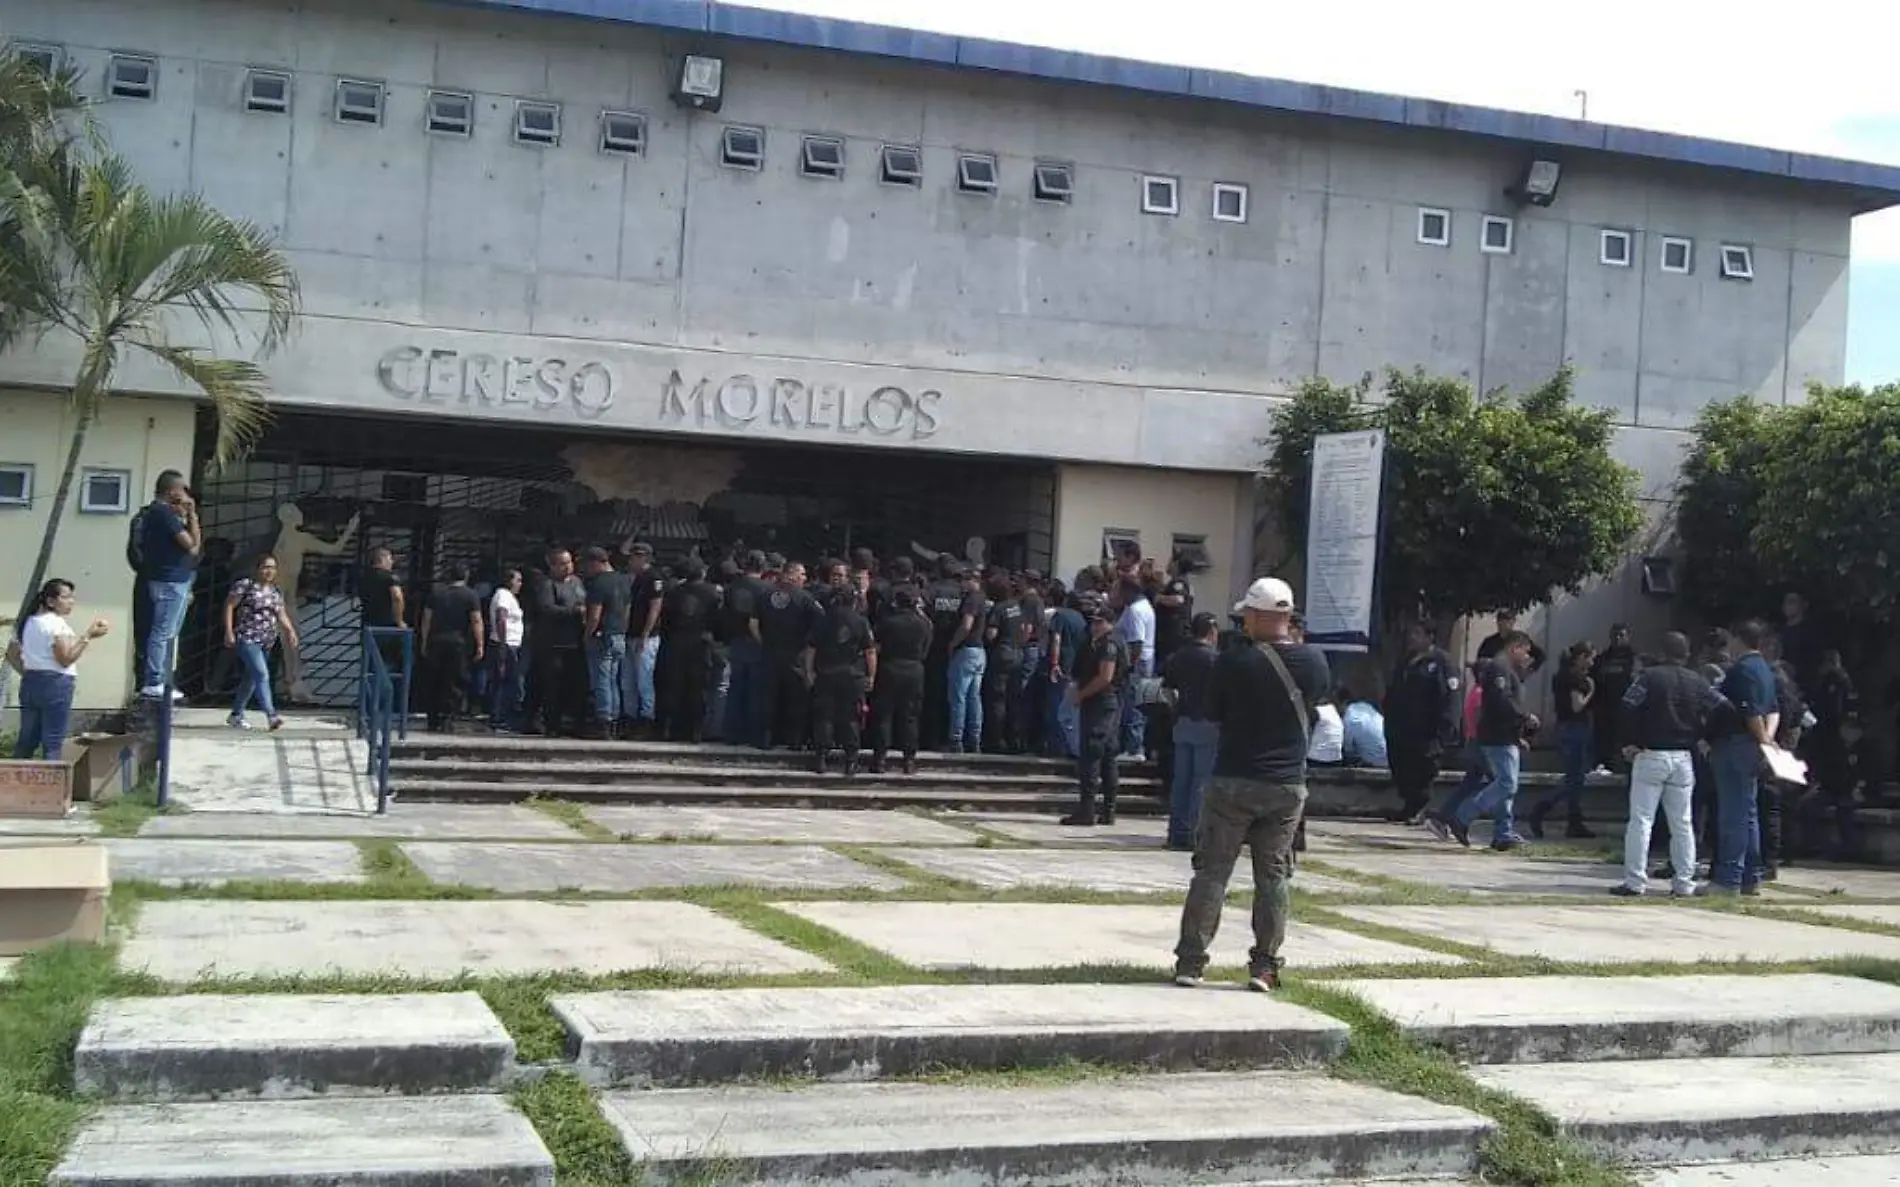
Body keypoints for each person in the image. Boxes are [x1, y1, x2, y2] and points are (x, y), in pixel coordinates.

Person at [1173, 577, 1330, 992]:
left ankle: (1191, 961)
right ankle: (1264, 966)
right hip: (1286, 785)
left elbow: (1213, 712)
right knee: (1274, 876)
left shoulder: (1233, 661)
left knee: (1212, 873)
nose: (1242, 620)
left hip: (1234, 779)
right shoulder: (1315, 661)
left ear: (1261, 616)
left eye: (1247, 614)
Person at [1613, 631, 1725, 898]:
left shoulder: (1649, 678)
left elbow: (1627, 707)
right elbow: (1722, 707)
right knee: (1683, 822)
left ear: (1661, 652)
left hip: (1651, 754)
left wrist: (1630, 741)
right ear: (1686, 654)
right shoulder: (1697, 681)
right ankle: (1684, 881)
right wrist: (1706, 736)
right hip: (1684, 756)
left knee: (1641, 820)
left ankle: (1635, 881)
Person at [1428, 630, 1540, 849]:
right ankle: (1462, 817)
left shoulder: (1510, 671)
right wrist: (1524, 717)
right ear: (1514, 647)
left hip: (1505, 735)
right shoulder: (1500, 668)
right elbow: (1501, 702)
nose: (1527, 657)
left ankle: (1502, 833)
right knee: (1506, 783)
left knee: (1502, 784)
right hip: (1497, 736)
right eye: (1525, 651)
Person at [1706, 619, 1779, 896]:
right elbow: (1773, 709)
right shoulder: (1766, 670)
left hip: (1736, 743)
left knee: (1732, 814)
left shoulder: (1742, 669)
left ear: (1739, 639)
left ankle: (1729, 879)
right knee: (1748, 813)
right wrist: (1768, 741)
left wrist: (1761, 739)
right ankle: (1751, 876)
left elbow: (1749, 710)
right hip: (1754, 743)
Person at [8, 580, 108, 760]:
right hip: (56, 684)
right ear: (50, 601)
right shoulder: (56, 625)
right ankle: (52, 785)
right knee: (53, 741)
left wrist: (31, 670)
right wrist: (88, 636)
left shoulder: (28, 622)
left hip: (31, 681)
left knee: (27, 739)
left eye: (72, 598)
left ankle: (13, 783)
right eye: (66, 597)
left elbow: (12, 654)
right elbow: (65, 659)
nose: (71, 602)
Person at [1382, 622, 1460, 823]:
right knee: (1402, 768)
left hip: (1427, 730)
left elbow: (1450, 697)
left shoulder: (1442, 661)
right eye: (1412, 633)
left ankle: (1420, 808)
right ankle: (1408, 806)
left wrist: (1445, 728)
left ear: (1429, 637)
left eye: (1418, 633)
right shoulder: (1407, 659)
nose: (1413, 638)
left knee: (1423, 771)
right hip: (1402, 727)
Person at [133, 470, 202, 699]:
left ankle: (162, 678)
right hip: (170, 581)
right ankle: (154, 680)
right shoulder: (163, 514)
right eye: (182, 489)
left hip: (169, 579)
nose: (185, 495)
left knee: (167, 632)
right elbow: (192, 546)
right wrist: (192, 516)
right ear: (172, 490)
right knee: (162, 632)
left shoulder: (159, 514)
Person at [1062, 593, 1128, 826]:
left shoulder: (1109, 643)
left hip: (1102, 703)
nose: (1094, 625)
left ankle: (1088, 810)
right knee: (1107, 755)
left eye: (1100, 621)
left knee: (1093, 753)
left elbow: (1105, 676)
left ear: (1109, 623)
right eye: (1093, 621)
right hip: (1104, 703)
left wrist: (1081, 694)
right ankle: (1106, 810)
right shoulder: (1098, 642)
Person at [809, 569, 877, 775]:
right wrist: (871, 675)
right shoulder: (860, 621)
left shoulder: (823, 620)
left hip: (826, 672)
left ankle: (821, 758)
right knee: (851, 718)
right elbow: (870, 651)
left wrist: (809, 672)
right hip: (852, 674)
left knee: (824, 717)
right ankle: (850, 760)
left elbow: (810, 649)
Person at [1163, 611, 1221, 850]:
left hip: (1182, 720)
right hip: (1208, 722)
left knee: (1181, 781)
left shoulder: (1179, 656)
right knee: (1201, 782)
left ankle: (1176, 833)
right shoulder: (1216, 660)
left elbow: (1167, 689)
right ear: (1212, 631)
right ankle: (1195, 833)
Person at [1528, 641, 1598, 839]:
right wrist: (1591, 690)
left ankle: (1574, 821)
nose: (1592, 662)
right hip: (1575, 729)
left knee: (1576, 778)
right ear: (1581, 657)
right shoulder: (1574, 678)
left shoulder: (1561, 675)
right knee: (1574, 779)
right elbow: (1577, 706)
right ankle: (1543, 807)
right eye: (1590, 657)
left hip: (1567, 728)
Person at [222, 555, 298, 732]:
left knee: (251, 679)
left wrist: (290, 631)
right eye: (265, 567)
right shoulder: (245, 586)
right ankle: (271, 715)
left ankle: (236, 714)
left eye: (272, 567)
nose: (269, 571)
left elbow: (281, 614)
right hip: (247, 637)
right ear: (257, 569)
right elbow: (229, 606)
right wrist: (228, 631)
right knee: (262, 674)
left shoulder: (275, 592)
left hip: (266, 641)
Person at [523, 548, 586, 737]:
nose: (568, 567)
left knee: (572, 685)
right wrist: (574, 611)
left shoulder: (577, 583)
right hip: (552, 644)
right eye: (562, 564)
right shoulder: (546, 585)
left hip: (574, 643)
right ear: (552, 566)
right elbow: (547, 609)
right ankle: (551, 723)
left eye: (569, 562)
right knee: (551, 685)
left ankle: (570, 721)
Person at [756, 561, 819, 748]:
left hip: (770, 653)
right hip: (795, 656)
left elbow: (752, 623)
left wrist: (764, 642)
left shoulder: (765, 595)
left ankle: (767, 739)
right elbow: (819, 622)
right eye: (802, 575)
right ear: (791, 574)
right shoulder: (805, 598)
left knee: (768, 697)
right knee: (795, 699)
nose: (804, 578)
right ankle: (794, 740)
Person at [657, 559, 721, 743]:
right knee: (699, 688)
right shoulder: (713, 593)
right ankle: (695, 731)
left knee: (673, 686)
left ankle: (669, 729)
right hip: (701, 642)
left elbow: (666, 619)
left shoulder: (674, 592)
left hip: (676, 641)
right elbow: (718, 620)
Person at [870, 586, 932, 774]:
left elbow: (875, 645)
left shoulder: (887, 622)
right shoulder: (923, 624)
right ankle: (909, 760)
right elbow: (926, 649)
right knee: (910, 716)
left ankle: (880, 759)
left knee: (883, 715)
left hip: (889, 667)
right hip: (914, 669)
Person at [417, 563, 484, 732]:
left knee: (434, 680)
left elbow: (426, 619)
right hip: (458, 643)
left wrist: (424, 641)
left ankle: (432, 718)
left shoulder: (436, 593)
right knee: (454, 682)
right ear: (466, 576)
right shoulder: (471, 596)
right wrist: (480, 644)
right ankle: (448, 718)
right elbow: (476, 621)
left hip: (436, 641)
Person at [581, 546, 633, 738]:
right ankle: (614, 719)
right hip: (619, 634)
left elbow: (594, 615)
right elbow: (627, 610)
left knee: (601, 680)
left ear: (596, 563)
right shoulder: (623, 580)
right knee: (613, 680)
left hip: (602, 636)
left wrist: (587, 634)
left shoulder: (598, 583)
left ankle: (603, 720)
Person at [721, 551, 770, 745]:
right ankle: (753, 733)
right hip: (758, 642)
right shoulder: (767, 589)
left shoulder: (732, 588)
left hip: (736, 640)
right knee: (756, 691)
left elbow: (723, 615)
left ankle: (732, 733)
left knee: (735, 689)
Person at [618, 542, 664, 737]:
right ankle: (629, 716)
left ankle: (647, 718)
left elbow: (655, 607)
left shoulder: (654, 577)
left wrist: (646, 633)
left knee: (644, 678)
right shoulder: (633, 579)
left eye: (635, 556)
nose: (632, 560)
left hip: (646, 636)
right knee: (627, 680)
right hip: (630, 634)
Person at [945, 566, 989, 754]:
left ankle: (956, 739)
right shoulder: (983, 598)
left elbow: (966, 625)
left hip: (966, 651)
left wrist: (952, 643)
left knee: (958, 697)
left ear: (973, 579)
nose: (961, 583)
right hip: (979, 652)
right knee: (974, 697)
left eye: (964, 579)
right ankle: (975, 739)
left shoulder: (971, 599)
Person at [922, 558, 964, 751]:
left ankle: (930, 738)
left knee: (932, 694)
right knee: (953, 694)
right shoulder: (962, 592)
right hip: (956, 649)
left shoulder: (931, 590)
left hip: (933, 648)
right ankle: (946, 736)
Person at [981, 575, 1023, 753]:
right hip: (1017, 653)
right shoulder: (1016, 606)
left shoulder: (998, 609)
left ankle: (995, 740)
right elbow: (1022, 629)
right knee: (1013, 699)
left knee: (997, 699)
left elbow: (991, 634)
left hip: (1001, 655)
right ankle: (1013, 739)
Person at [1114, 577, 1156, 757]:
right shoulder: (1144, 606)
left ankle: (1134, 748)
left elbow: (1136, 643)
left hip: (1136, 664)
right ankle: (1133, 746)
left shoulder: (1135, 611)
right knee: (1136, 702)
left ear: (1127, 590)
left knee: (1134, 704)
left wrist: (1128, 666)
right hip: (1145, 661)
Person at [1044, 583, 1086, 759]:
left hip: (1062, 665)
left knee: (1057, 707)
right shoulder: (1082, 619)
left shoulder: (1060, 616)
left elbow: (1056, 639)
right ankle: (1071, 746)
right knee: (1071, 711)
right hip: (1076, 667)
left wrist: (1054, 663)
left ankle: (1057, 747)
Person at [1589, 624, 1639, 772]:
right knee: (1604, 742)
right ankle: (1604, 766)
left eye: (1621, 635)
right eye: (1614, 635)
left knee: (1627, 743)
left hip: (1627, 710)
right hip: (1604, 708)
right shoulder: (1602, 659)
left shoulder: (1635, 659)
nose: (1617, 639)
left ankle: (1628, 769)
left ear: (1628, 637)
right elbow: (1593, 681)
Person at [487, 568, 525, 731]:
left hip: (512, 643)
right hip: (505, 643)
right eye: (518, 580)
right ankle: (499, 717)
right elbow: (501, 618)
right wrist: (503, 645)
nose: (520, 584)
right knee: (505, 681)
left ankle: (503, 715)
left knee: (509, 681)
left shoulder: (510, 597)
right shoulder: (503, 595)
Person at [1476, 609, 1545, 673]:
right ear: (1499, 621)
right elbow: (1480, 662)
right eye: (1506, 619)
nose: (1510, 622)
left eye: (1512, 619)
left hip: (1514, 680)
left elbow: (1540, 656)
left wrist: (1529, 669)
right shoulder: (1489, 642)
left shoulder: (1520, 639)